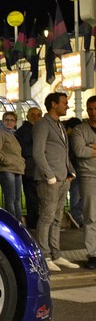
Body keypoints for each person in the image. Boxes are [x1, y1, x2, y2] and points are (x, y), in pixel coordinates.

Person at [33, 92, 79, 272]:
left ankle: (56, 254)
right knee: (47, 217)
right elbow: (38, 153)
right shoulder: (42, 124)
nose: (67, 106)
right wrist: (49, 176)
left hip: (63, 178)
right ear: (54, 104)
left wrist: (71, 171)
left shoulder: (59, 125)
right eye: (64, 103)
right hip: (50, 180)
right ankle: (44, 255)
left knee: (57, 218)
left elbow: (63, 152)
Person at [71, 96, 96, 269]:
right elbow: (80, 151)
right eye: (90, 109)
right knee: (91, 216)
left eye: (95, 109)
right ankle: (93, 254)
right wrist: (87, 149)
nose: (93, 113)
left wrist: (92, 148)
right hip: (89, 176)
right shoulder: (80, 129)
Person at [0, 111, 25, 220]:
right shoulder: (1, 134)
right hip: (7, 169)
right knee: (10, 198)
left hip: (17, 169)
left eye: (12, 120)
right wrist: (6, 160)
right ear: (3, 121)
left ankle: (18, 222)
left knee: (17, 199)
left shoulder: (14, 135)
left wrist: (21, 162)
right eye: (7, 120)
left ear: (15, 122)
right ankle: (12, 222)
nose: (9, 122)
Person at [16, 106, 42, 229]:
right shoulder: (24, 131)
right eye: (33, 115)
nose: (36, 118)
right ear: (27, 116)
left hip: (35, 168)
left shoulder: (36, 129)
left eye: (38, 115)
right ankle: (34, 223)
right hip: (30, 168)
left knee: (36, 197)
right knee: (32, 198)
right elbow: (25, 150)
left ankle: (35, 222)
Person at [64, 117, 84, 228]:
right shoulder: (68, 140)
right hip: (74, 170)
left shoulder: (70, 139)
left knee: (79, 195)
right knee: (76, 194)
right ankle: (75, 216)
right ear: (70, 128)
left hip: (76, 169)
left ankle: (75, 216)